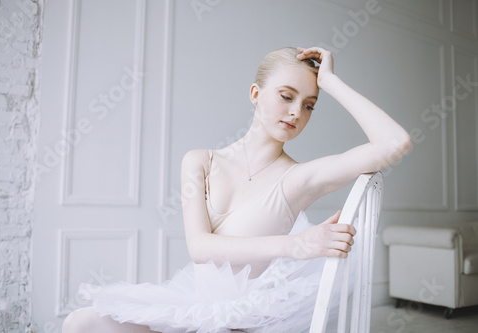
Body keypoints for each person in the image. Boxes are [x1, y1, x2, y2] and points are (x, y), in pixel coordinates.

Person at [62, 46, 411, 333]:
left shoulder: (299, 179)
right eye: (286, 96)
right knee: (79, 323)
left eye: (309, 105)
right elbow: (200, 247)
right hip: (194, 310)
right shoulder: (199, 161)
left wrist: (331, 82)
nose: (296, 113)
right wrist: (296, 245)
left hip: (243, 323)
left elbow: (395, 142)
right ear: (256, 95)